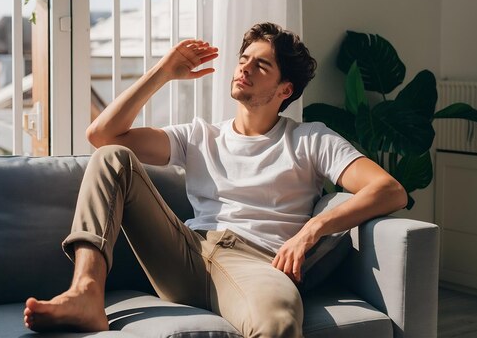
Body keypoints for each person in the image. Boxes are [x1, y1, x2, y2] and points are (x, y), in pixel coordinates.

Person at [23, 22, 407, 337]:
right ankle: (86, 293)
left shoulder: (309, 139)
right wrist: (164, 72)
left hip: (256, 263)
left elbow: (390, 190)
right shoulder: (200, 135)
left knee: (278, 323)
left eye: (261, 65)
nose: (244, 68)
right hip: (185, 253)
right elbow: (102, 137)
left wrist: (312, 230)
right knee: (112, 158)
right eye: (244, 59)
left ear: (285, 90)